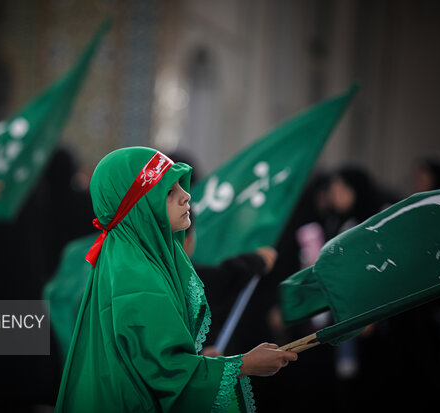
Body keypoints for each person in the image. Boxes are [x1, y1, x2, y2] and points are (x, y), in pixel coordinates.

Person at [55, 147, 296, 412]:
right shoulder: (137, 275)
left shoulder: (129, 258)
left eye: (180, 186)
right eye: (169, 192)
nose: (187, 196)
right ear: (140, 208)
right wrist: (245, 364)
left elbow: (144, 360)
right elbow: (165, 372)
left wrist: (203, 362)